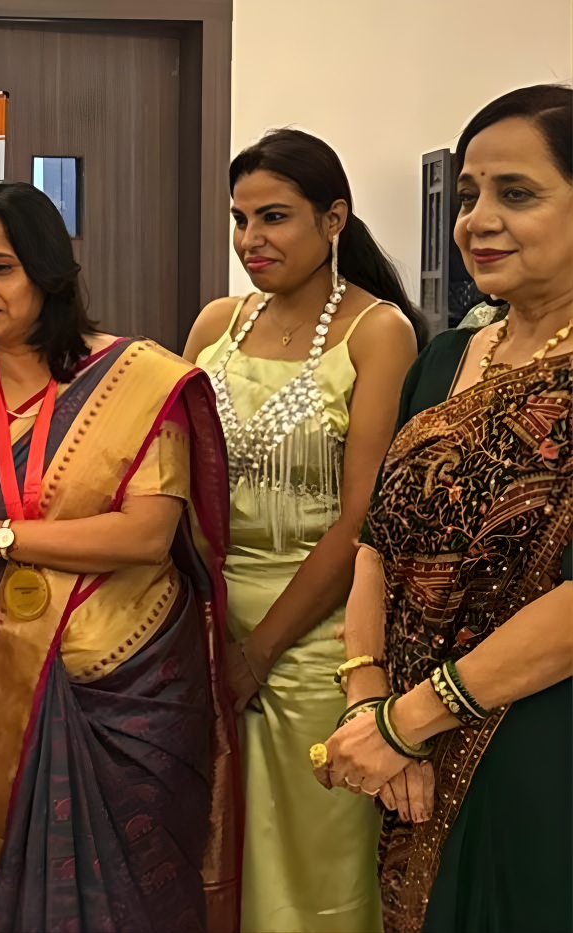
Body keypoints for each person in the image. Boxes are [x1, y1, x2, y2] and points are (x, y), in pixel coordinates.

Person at [0, 182, 241, 932]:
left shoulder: (138, 380)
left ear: (46, 270)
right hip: (3, 677)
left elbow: (146, 535)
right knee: (27, 889)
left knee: (139, 897)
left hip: (135, 677)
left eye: (0, 267)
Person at [318, 84, 573, 933]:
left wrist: (410, 717)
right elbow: (378, 540)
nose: (477, 220)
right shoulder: (446, 357)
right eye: (468, 195)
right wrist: (368, 700)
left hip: (540, 744)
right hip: (411, 747)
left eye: (517, 193)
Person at [181, 129, 421, 933]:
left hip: (319, 633)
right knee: (214, 851)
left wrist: (259, 652)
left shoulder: (378, 331)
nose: (251, 238)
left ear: (334, 219)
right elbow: (173, 479)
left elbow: (361, 519)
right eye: (240, 218)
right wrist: (202, 630)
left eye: (275, 216)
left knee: (314, 864)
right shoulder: (216, 323)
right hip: (206, 619)